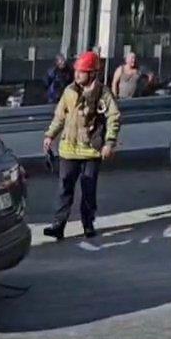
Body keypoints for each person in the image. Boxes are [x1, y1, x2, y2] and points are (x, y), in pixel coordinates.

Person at [42, 50, 121, 240]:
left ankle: (88, 224)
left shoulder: (103, 94)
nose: (77, 74)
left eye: (82, 71)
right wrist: (49, 135)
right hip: (69, 150)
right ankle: (58, 225)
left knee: (88, 190)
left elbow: (114, 117)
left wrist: (109, 143)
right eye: (77, 71)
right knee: (64, 189)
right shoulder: (69, 92)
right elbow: (60, 116)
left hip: (91, 152)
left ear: (92, 73)